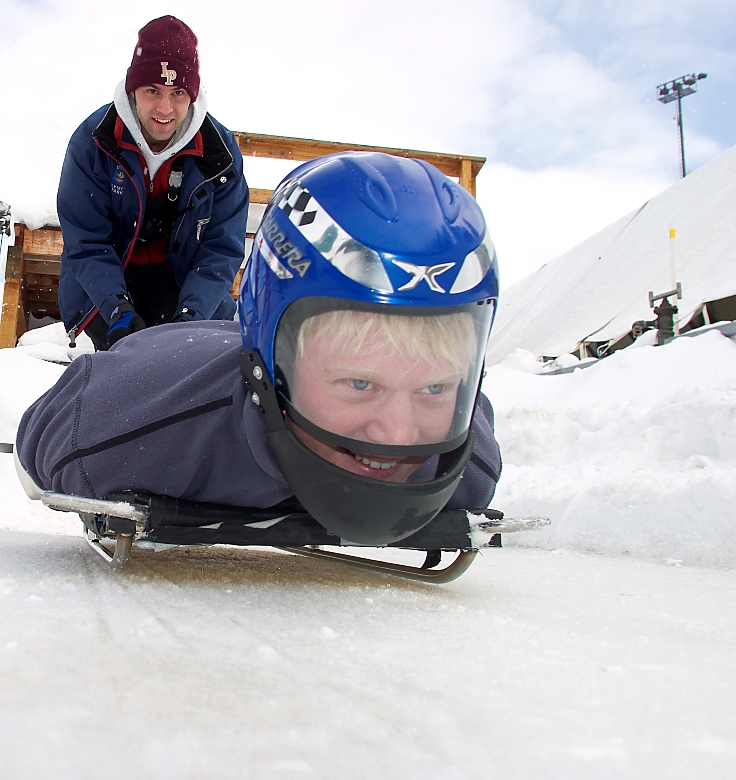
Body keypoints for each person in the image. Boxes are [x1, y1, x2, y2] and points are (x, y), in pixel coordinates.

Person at [16, 152, 501, 545]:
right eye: (360, 383)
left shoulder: (467, 466)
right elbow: (44, 438)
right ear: (271, 364)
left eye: (435, 387)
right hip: (172, 351)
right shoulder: (116, 434)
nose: (398, 435)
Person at [56, 15, 249, 351]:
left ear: (192, 94)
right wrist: (118, 309)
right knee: (124, 367)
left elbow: (221, 249)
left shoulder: (220, 153)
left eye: (178, 93)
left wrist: (191, 315)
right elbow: (86, 242)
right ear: (133, 90)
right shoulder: (94, 141)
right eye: (152, 91)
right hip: (109, 277)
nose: (165, 108)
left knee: (181, 369)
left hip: (181, 281)